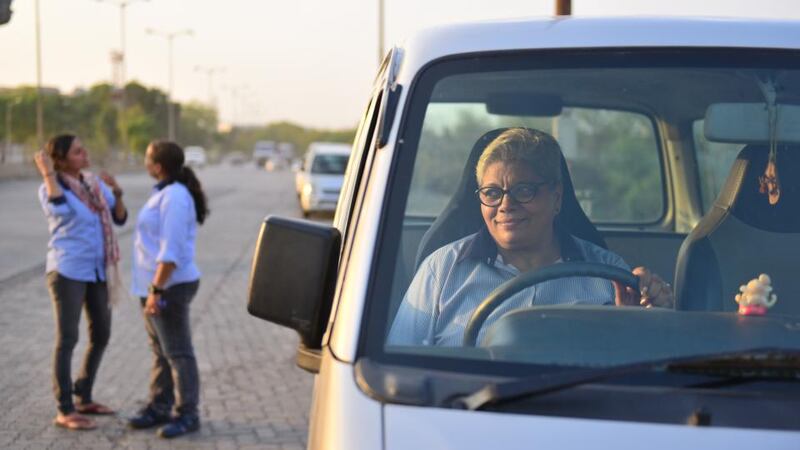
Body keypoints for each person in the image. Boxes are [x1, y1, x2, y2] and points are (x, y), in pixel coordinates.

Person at [388, 128, 673, 346]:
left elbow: (640, 369)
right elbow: (399, 368)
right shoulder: (441, 270)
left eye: (524, 190)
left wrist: (648, 317)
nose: (505, 205)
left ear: (557, 197)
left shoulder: (610, 275)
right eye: (491, 193)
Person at [35, 134, 128, 430]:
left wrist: (118, 191)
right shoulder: (50, 188)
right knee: (68, 339)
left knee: (101, 333)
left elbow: (120, 218)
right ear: (60, 160)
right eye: (77, 151)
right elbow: (59, 209)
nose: (84, 153)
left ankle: (84, 395)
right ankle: (65, 408)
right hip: (67, 270)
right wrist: (49, 174)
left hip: (98, 269)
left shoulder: (93, 183)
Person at [127, 140, 208, 439]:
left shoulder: (174, 197)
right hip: (155, 285)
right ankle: (159, 405)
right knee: (160, 352)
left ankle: (188, 413)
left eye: (146, 158)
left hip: (169, 286)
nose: (144, 162)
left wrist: (157, 290)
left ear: (157, 166)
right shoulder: (163, 192)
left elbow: (170, 250)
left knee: (178, 353)